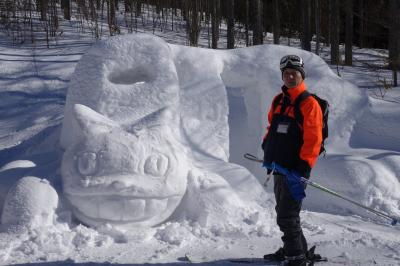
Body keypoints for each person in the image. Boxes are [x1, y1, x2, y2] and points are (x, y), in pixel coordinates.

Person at [261, 55, 323, 266]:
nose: (289, 76)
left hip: (295, 170)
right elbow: (272, 127)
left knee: (287, 215)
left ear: (301, 75)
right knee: (284, 211)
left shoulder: (308, 104)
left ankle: (296, 258)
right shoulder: (279, 100)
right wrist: (266, 148)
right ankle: (294, 249)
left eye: (294, 73)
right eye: (286, 73)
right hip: (278, 166)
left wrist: (303, 169)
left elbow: (313, 139)